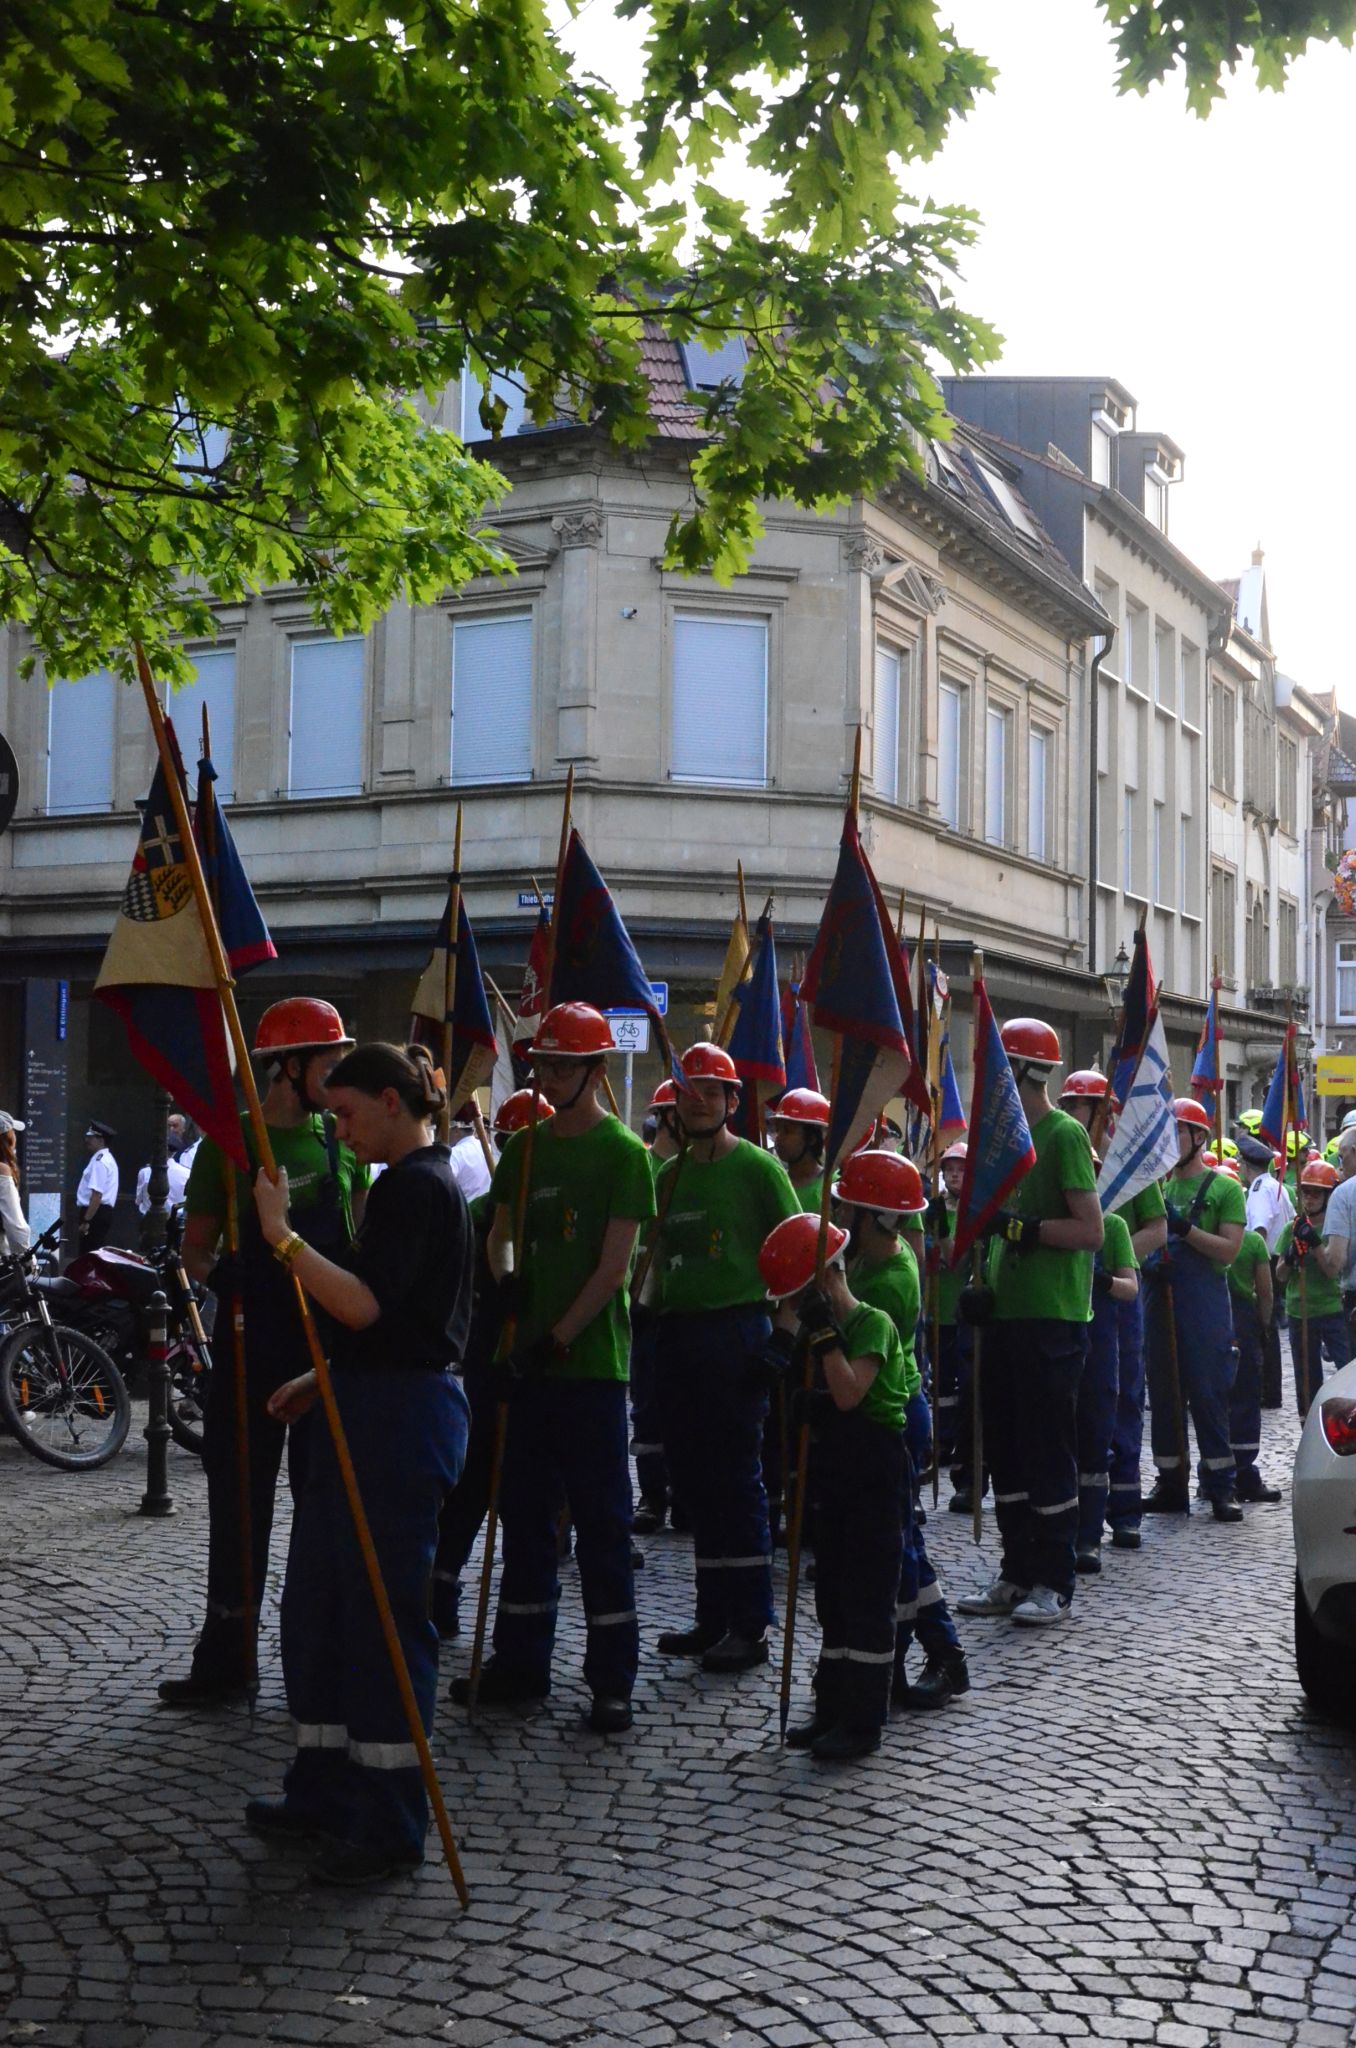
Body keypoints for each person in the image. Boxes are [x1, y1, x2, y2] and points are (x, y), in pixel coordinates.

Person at [245, 1041, 473, 1887]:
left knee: (378, 1619)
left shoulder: (419, 1186)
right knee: (322, 1606)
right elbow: (395, 1323)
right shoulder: (403, 1185)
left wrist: (281, 1238)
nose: (338, 1131)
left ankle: (387, 1818)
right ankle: (325, 1785)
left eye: (345, 1114)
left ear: (390, 1101)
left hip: (402, 1420)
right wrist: (326, 1378)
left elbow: (369, 1307)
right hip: (375, 1401)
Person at [450, 1003, 654, 1734]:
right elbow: (501, 1232)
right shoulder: (526, 1149)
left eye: (565, 1065)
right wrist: (504, 1276)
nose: (552, 1075)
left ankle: (611, 1680)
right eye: (545, 1065)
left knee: (601, 1528)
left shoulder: (625, 1154)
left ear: (596, 1071)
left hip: (592, 1371)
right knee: (525, 1522)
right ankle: (519, 1662)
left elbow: (613, 1269)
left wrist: (555, 1339)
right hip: (522, 1368)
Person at [159, 997, 367, 1706]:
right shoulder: (231, 1141)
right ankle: (227, 1662)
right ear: (287, 1067)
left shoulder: (341, 1141)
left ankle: (316, 1664)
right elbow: (195, 1249)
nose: (338, 1079)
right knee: (239, 1512)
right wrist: (223, 1274)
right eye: (328, 1064)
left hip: (322, 1351)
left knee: (324, 1512)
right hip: (251, 1348)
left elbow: (360, 1244)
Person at [652, 1041, 801, 1673]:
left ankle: (750, 1624)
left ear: (732, 1101)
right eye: (689, 1092)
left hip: (737, 1335)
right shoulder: (668, 1176)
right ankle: (712, 1616)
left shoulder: (760, 1171)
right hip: (679, 1336)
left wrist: (784, 1337)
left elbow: (802, 1255)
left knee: (738, 1483)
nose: (699, 1102)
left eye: (711, 1092)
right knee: (695, 1485)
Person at [956, 1017, 1102, 1628]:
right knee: (1007, 1454)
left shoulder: (1063, 1134)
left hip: (1052, 1319)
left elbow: (1090, 1230)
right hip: (1007, 1317)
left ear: (1021, 1071)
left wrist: (1020, 1229)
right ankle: (1016, 1571)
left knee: (1046, 1452)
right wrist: (980, 1286)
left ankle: (1054, 1579)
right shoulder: (1000, 1141)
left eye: (996, 1072)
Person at [760, 1211, 907, 1760]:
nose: (795, 1309)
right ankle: (831, 1706)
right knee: (834, 1596)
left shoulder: (873, 1323)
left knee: (867, 1596)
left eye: (800, 1296)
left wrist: (822, 1339)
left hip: (876, 1470)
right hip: (838, 1470)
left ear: (825, 1278)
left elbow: (850, 1392)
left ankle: (863, 1719)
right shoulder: (819, 1331)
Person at [833, 1148, 969, 1708]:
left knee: (900, 1552)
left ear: (872, 1217)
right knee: (906, 1541)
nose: (840, 1215)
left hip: (893, 1413)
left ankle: (898, 1657)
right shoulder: (868, 1258)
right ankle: (943, 1653)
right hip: (891, 1409)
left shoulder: (888, 1278)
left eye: (847, 1208)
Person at [429, 1088, 551, 1640]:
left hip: (540, 1363)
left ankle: (523, 1617)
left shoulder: (548, 1209)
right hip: (484, 1360)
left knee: (526, 1494)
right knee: (470, 1484)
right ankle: (441, 1589)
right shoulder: (476, 1213)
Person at [1055, 1069, 1163, 1549]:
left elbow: (1156, 1229)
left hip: (1115, 1295)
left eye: (1076, 1105)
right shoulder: (1063, 1152)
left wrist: (1113, 1257)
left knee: (1122, 1398)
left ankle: (1124, 1510)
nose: (1069, 1112)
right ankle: (1081, 1511)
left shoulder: (1131, 1165)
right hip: (1071, 1292)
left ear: (1101, 1112)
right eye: (1066, 1104)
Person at [1140, 1099, 1247, 1522]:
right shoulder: (1157, 1189)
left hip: (1204, 1308)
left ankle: (1221, 1486)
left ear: (1199, 1137)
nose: (1169, 1141)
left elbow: (1229, 1251)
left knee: (1207, 1394)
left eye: (1177, 1132)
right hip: (1160, 1300)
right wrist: (1150, 1261)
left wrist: (1184, 1229)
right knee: (1164, 1397)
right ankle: (1170, 1483)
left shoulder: (1224, 1188)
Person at [1075, 1170, 1137, 1576]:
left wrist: (1106, 1280)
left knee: (1095, 1439)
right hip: (1060, 1340)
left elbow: (1130, 1288)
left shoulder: (1112, 1226)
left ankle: (1089, 1537)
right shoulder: (1056, 1226)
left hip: (1099, 1350)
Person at [631, 1079, 681, 1535]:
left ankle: (686, 1493)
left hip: (685, 1307)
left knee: (686, 1406)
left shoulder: (696, 1169)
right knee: (647, 1406)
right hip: (644, 1307)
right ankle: (652, 1495)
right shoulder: (641, 1166)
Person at [1276, 1159, 1351, 1415]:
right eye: (1306, 1192)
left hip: (1331, 1309)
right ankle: (1307, 1422)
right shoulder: (1291, 1228)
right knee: (1306, 1379)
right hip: (1300, 1311)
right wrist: (1290, 1256)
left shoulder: (1335, 1227)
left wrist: (1315, 1243)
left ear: (1328, 1196)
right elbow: (1280, 1276)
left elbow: (1331, 1270)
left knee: (1346, 1368)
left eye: (1316, 1193)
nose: (1309, 1198)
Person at [1225, 1204, 1280, 1503]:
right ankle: (1244, 1474)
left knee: (1216, 1400)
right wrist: (1265, 1325)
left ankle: (1214, 1475)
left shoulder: (1203, 1240)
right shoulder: (1252, 1242)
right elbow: (1266, 1291)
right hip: (1244, 1319)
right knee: (1245, 1397)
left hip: (1211, 1316)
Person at [766, 1089, 831, 1212]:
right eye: (777, 1130)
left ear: (811, 1138)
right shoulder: (773, 1183)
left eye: (787, 1131)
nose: (778, 1137)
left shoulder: (830, 1186)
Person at [76, 1121, 119, 1249]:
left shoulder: (100, 1161)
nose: (87, 1140)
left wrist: (86, 1220)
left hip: (95, 1213)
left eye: (91, 1137)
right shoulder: (105, 1158)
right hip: (99, 1212)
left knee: (89, 1252)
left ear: (101, 1140)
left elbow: (97, 1194)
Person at [0, 1111, 29, 1254]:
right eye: (14, 1132)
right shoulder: (2, 1170)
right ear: (8, 1138)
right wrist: (27, 1260)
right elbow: (16, 1227)